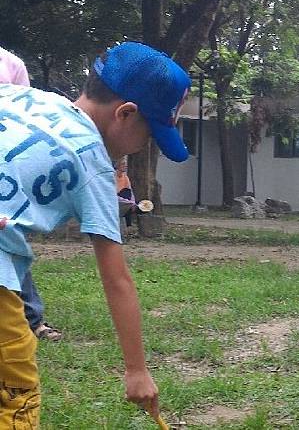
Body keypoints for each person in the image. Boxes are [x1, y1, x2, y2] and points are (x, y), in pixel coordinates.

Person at [0, 41, 191, 427]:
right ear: (126, 113)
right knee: (13, 399)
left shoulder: (20, 96)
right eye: (149, 136)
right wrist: (137, 370)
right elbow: (116, 278)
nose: (143, 147)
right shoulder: (93, 163)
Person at [0, 45, 63, 342]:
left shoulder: (11, 64)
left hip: (4, 164)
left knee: (8, 237)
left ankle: (32, 318)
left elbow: (21, 117)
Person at [115, 156, 136, 227]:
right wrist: (129, 202)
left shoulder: (125, 177)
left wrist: (133, 202)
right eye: (123, 164)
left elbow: (130, 191)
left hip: (125, 199)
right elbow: (113, 195)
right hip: (116, 199)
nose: (126, 166)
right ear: (117, 165)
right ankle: (128, 224)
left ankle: (129, 224)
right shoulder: (112, 177)